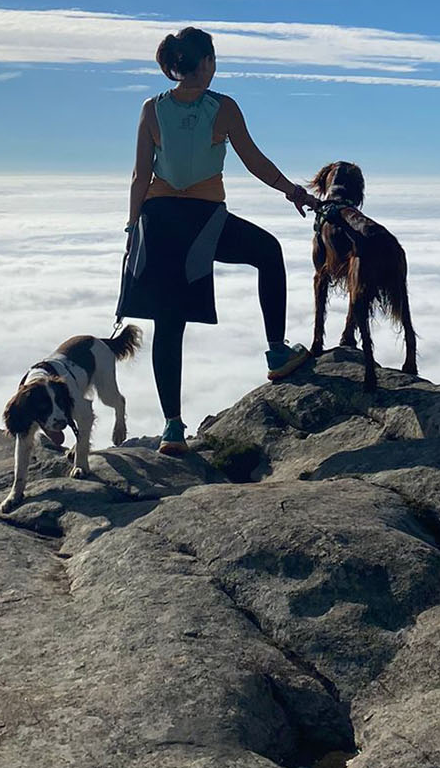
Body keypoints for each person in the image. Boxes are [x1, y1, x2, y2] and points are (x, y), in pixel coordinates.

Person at [116, 25, 315, 456]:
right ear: (204, 62)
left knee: (169, 321)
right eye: (214, 58)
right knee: (269, 252)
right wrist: (292, 191)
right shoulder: (221, 108)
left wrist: (133, 231)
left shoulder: (152, 108)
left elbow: (140, 176)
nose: (215, 66)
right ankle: (277, 353)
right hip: (204, 219)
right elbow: (254, 160)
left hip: (160, 220)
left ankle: (172, 429)